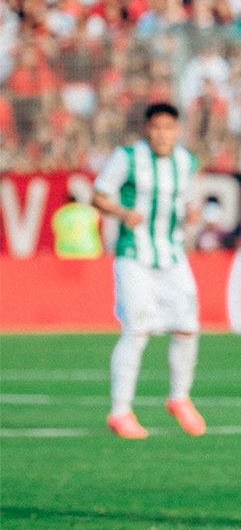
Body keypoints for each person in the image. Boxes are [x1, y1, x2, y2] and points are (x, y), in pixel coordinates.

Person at [92, 103, 206, 439]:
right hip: (134, 254)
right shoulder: (127, 157)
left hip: (172, 255)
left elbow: (187, 201)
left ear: (177, 130)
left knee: (187, 328)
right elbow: (99, 196)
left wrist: (192, 213)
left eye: (169, 128)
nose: (162, 134)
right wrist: (122, 212)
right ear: (147, 129)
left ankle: (179, 397)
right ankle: (120, 411)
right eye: (157, 127)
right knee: (136, 329)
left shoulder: (185, 161)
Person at [50, 184, 102, 259]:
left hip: (65, 252)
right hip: (88, 251)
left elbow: (55, 230)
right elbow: (98, 227)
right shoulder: (88, 211)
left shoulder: (60, 213)